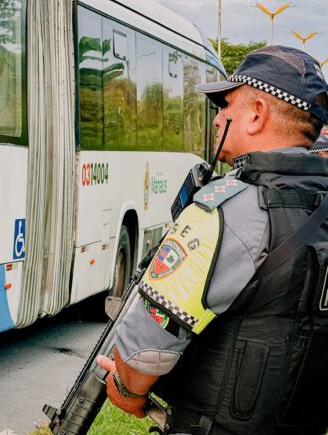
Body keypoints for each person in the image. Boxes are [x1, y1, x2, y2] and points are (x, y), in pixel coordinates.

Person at [97, 45, 328, 434]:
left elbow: (143, 354)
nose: (218, 119)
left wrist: (127, 388)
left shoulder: (225, 211)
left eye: (225, 105)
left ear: (256, 114)